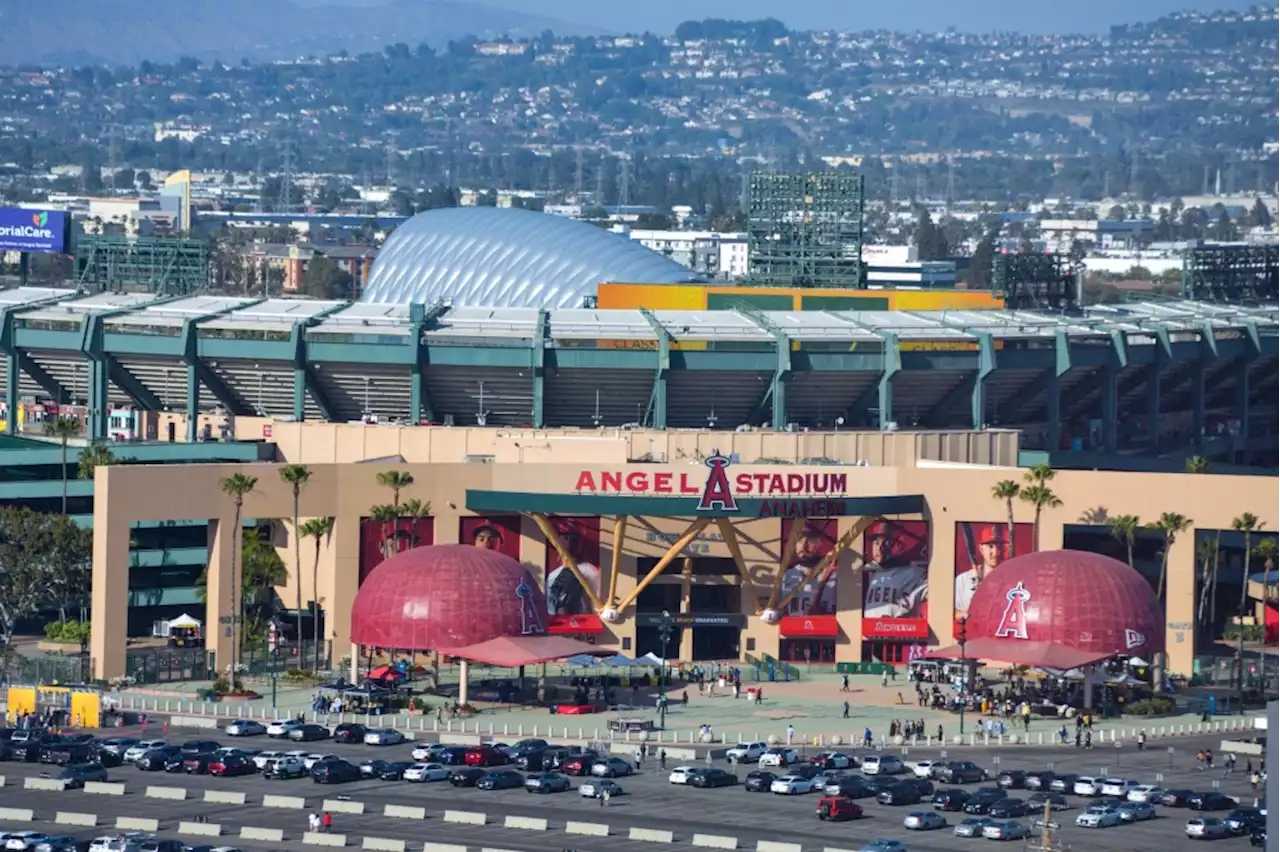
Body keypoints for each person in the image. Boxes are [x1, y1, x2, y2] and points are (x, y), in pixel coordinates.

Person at [862, 523, 928, 620]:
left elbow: (937, 596)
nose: (880, 549)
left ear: (898, 545)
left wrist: (906, 619)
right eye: (876, 543)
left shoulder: (912, 572)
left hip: (897, 632)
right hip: (867, 632)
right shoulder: (867, 572)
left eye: (886, 543)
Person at [780, 522, 836, 614]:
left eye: (810, 540)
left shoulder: (832, 574)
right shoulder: (788, 575)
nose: (803, 546)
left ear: (820, 543)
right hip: (791, 626)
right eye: (799, 540)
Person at [546, 523, 602, 617]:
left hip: (584, 621)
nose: (568, 543)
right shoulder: (553, 576)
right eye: (565, 538)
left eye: (572, 539)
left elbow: (597, 599)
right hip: (563, 622)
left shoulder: (589, 570)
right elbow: (550, 605)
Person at [954, 524, 1008, 619]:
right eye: (990, 546)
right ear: (981, 548)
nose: (995, 552)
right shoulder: (963, 580)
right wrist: (968, 614)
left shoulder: (1011, 580)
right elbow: (950, 612)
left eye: (999, 546)